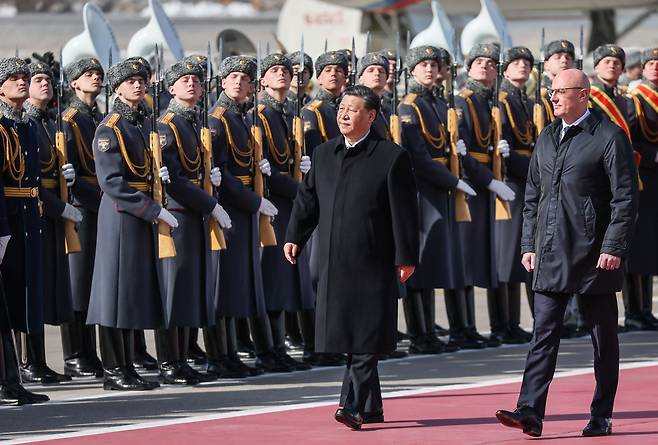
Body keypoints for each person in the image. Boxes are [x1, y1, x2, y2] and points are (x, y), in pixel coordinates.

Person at [495, 69, 639, 437]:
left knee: (602, 337)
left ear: (583, 95)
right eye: (551, 92)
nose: (553, 98)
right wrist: (528, 244)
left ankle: (601, 413)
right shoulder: (547, 137)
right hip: (550, 251)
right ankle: (530, 410)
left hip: (594, 255)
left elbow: (625, 199)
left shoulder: (608, 136)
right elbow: (532, 198)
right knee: (543, 333)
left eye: (561, 92)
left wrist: (613, 246)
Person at [284, 85, 419, 430]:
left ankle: (352, 405)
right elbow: (308, 199)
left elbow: (404, 213)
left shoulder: (390, 156)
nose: (343, 114)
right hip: (333, 261)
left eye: (353, 109)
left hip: (374, 260)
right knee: (349, 334)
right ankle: (372, 407)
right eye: (341, 108)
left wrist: (407, 256)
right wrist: (294, 236)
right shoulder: (325, 154)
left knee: (367, 333)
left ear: (370, 116)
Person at [87, 59, 173, 391]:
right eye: (130, 80)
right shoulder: (111, 128)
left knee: (131, 292)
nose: (138, 85)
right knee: (114, 293)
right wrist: (153, 210)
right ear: (117, 87)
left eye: (142, 80)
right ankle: (114, 370)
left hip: (141, 215)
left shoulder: (142, 124)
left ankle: (128, 366)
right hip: (123, 216)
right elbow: (112, 183)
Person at [207, 55, 288, 374]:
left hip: (245, 204)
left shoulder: (243, 116)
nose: (240, 82)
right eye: (233, 77)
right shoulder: (218, 118)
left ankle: (238, 353)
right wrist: (253, 202)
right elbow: (222, 172)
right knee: (224, 284)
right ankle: (220, 356)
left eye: (245, 78)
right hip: (230, 206)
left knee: (242, 283)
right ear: (223, 82)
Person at [155, 61, 231, 384]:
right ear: (171, 88)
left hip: (195, 213)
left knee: (188, 290)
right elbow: (174, 180)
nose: (192, 85)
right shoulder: (167, 126)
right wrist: (210, 203)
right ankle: (169, 362)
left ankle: (183, 357)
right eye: (184, 81)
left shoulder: (193, 122)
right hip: (178, 215)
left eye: (196, 82)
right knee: (174, 291)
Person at [398, 46, 474, 353]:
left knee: (437, 262)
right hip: (423, 189)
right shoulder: (409, 107)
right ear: (412, 70)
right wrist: (454, 180)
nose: (429, 69)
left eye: (433, 64)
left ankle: (430, 331)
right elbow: (418, 158)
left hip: (439, 188)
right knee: (420, 263)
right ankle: (419, 334)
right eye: (422, 64)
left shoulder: (439, 103)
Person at [246, 53, 312, 371]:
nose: (282, 76)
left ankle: (278, 345)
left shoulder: (286, 112)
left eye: (286, 71)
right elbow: (264, 167)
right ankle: (266, 348)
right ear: (263, 81)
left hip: (287, 202)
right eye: (275, 71)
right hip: (270, 202)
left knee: (283, 276)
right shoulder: (258, 115)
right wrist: (304, 191)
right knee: (270, 276)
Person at [22, 61, 79, 383]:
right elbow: (26, 177)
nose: (45, 84)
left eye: (48, 80)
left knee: (44, 289)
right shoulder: (27, 121)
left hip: (47, 214)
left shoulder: (44, 122)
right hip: (37, 212)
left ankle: (38, 359)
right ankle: (29, 360)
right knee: (31, 289)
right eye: (37, 79)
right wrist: (59, 207)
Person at [456, 44, 516, 348]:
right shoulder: (462, 101)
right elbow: (464, 154)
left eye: (491, 63)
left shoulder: (490, 101)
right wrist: (490, 181)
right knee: (468, 259)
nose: (486, 67)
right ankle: (467, 327)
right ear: (469, 68)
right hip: (473, 184)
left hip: (489, 181)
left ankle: (500, 324)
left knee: (491, 257)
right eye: (479, 62)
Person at [0, 57, 49, 405]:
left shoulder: (26, 126)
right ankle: (10, 380)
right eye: (13, 78)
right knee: (4, 303)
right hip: (8, 218)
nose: (21, 83)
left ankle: (13, 380)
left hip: (26, 218)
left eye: (24, 77)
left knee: (20, 298)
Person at [60, 57, 106, 378]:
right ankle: (75, 352)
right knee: (77, 283)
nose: (95, 78)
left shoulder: (100, 117)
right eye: (88, 75)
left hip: (101, 205)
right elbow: (73, 170)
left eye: (98, 75)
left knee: (92, 282)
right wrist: (101, 200)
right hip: (82, 207)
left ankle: (91, 351)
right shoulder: (70, 119)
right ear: (74, 83)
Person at [493, 47, 536, 344]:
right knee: (507, 255)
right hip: (511, 178)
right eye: (515, 62)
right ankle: (503, 322)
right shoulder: (501, 100)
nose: (522, 66)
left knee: (523, 251)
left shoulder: (528, 101)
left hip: (528, 177)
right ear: (505, 70)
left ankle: (514, 321)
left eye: (526, 63)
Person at [627, 47, 658, 329]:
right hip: (644, 176)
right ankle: (635, 310)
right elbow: (631, 138)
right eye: (650, 63)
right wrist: (653, 156)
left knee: (652, 245)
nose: (655, 67)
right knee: (641, 243)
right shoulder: (635, 99)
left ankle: (646, 308)